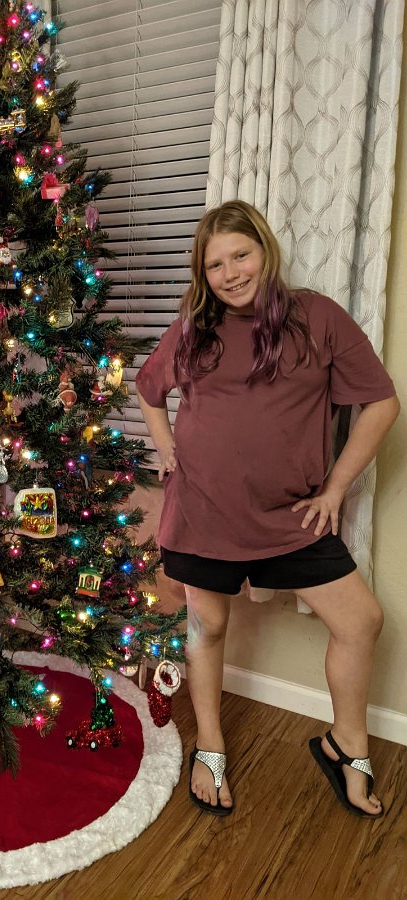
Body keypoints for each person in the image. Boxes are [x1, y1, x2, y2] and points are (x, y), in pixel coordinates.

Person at [136, 200, 399, 818]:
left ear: (265, 251)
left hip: (290, 518)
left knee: (361, 622)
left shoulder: (318, 317)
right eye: (215, 265)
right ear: (203, 275)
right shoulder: (194, 328)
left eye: (240, 255)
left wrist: (334, 490)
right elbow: (149, 389)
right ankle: (210, 746)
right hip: (202, 514)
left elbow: (382, 402)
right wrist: (167, 446)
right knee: (208, 628)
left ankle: (346, 743)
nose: (230, 274)